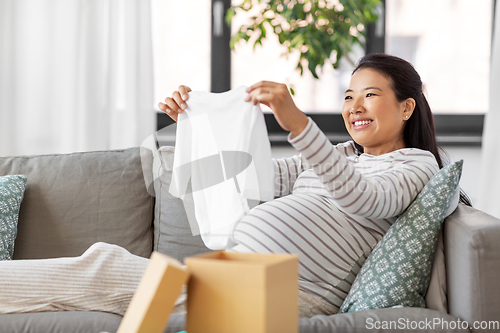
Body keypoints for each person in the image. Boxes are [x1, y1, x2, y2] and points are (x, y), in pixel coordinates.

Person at [159, 53, 470, 317]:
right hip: (241, 270)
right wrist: (196, 125)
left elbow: (364, 199)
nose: (355, 106)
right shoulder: (343, 154)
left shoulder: (416, 164)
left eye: (370, 95)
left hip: (294, 291)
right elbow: (251, 178)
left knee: (112, 269)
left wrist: (299, 125)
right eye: (349, 96)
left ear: (406, 108)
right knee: (119, 277)